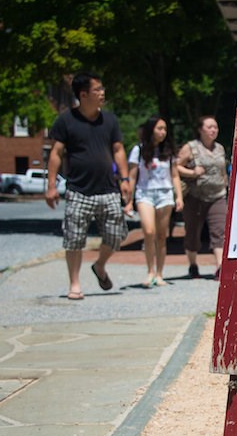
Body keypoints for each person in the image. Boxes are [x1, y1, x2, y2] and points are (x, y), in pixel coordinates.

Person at [45, 72, 131, 300]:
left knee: (117, 235)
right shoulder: (66, 120)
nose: (102, 93)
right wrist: (51, 185)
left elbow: (118, 150)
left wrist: (124, 179)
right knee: (74, 239)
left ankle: (99, 265)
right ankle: (74, 284)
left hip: (108, 189)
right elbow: (56, 153)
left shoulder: (110, 120)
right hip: (78, 189)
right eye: (97, 90)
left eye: (102, 89)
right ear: (83, 95)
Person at [125, 116, 183, 288]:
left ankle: (159, 273)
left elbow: (174, 175)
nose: (163, 132)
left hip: (165, 194)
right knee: (149, 231)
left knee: (161, 236)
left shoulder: (169, 151)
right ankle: (149, 271)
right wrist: (128, 201)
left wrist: (178, 196)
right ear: (151, 130)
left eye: (165, 129)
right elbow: (132, 176)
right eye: (159, 128)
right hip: (145, 194)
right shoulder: (138, 150)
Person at [177, 115, 228, 280]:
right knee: (193, 233)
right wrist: (192, 172)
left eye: (215, 127)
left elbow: (222, 170)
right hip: (195, 196)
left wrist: (226, 185)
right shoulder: (190, 148)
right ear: (200, 130)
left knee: (219, 231)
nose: (213, 130)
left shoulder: (220, 148)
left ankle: (220, 266)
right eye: (209, 127)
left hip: (218, 195)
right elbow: (175, 166)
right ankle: (193, 264)